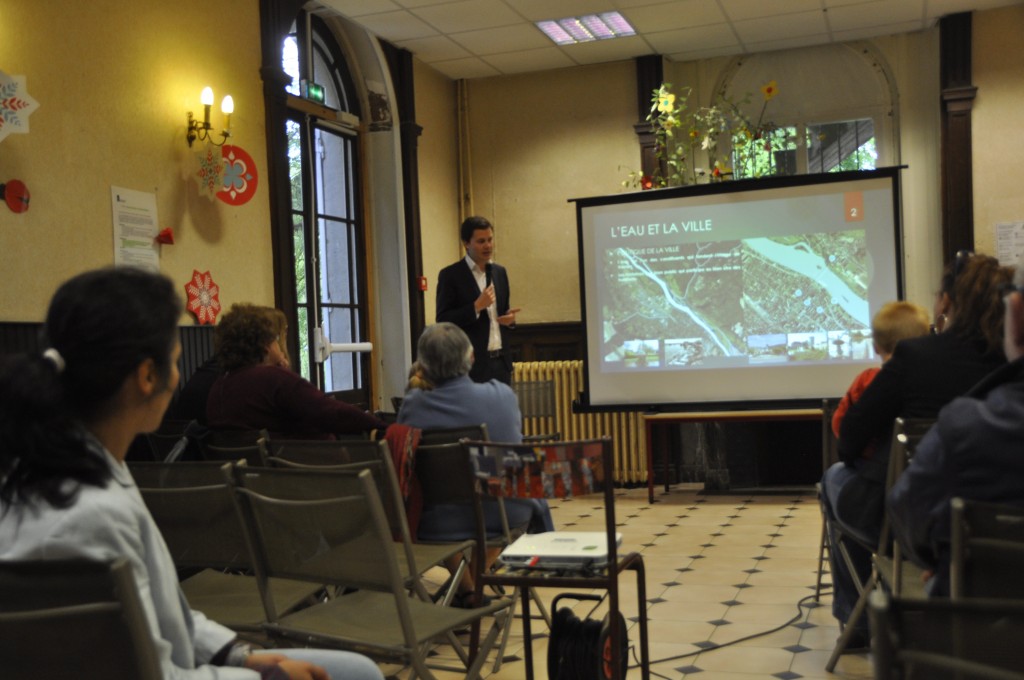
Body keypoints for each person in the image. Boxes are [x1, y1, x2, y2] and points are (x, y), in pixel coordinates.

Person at [0, 267, 384, 680]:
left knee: (354, 669)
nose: (179, 375)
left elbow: (162, 614)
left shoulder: (76, 464)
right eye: (176, 361)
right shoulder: (90, 514)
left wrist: (236, 656)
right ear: (148, 376)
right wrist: (267, 677)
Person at [821, 253, 1012, 647]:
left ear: (945, 302)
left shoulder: (916, 356)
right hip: (1002, 527)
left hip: (914, 526)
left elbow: (850, 439)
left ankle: (858, 623)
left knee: (834, 479)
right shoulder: (1010, 363)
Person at [889, 264, 1024, 596]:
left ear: (1016, 312)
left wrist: (940, 558)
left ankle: (858, 624)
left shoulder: (968, 426)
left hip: (982, 636)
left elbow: (909, 519)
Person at [398, 323, 553, 604]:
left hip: (435, 523)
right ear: (471, 358)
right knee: (507, 493)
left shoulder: (413, 405)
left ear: (422, 366)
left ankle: (468, 587)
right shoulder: (502, 396)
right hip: (504, 516)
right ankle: (476, 582)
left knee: (454, 499)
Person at [206, 304, 385, 439]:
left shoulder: (218, 387)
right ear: (265, 346)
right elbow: (329, 412)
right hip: (307, 474)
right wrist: (381, 426)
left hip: (253, 482)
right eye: (276, 340)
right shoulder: (273, 380)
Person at [169, 305, 291, 426]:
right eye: (276, 338)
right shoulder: (234, 381)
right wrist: (282, 377)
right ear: (266, 343)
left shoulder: (214, 368)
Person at [831, 301, 931, 444]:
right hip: (923, 458)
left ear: (876, 347)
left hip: (875, 461)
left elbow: (840, 426)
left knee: (837, 468)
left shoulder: (866, 379)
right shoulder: (931, 378)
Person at [435, 216, 520, 384]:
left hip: (501, 363)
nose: (488, 246)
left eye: (490, 240)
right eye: (481, 241)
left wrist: (510, 320)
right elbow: (443, 320)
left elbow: (503, 311)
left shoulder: (500, 272)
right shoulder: (451, 275)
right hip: (471, 367)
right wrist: (475, 307)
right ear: (466, 243)